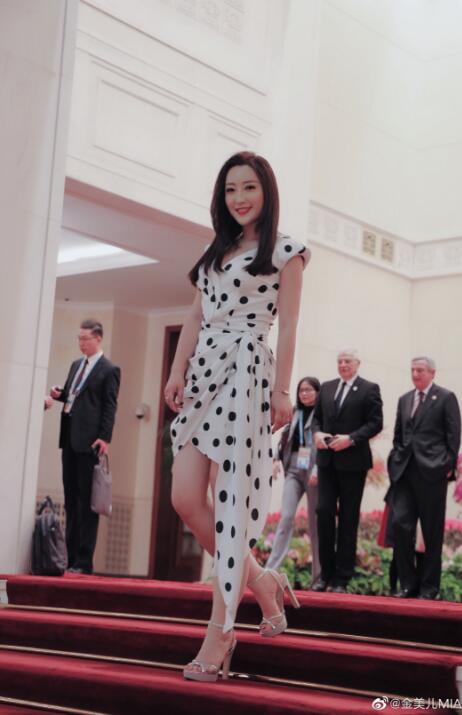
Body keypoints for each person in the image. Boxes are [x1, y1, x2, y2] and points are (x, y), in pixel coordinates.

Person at [164, 151, 309, 682]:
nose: (239, 198)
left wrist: (282, 391)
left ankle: (220, 633)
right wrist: (177, 371)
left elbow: (288, 327)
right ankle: (262, 581)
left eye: (248, 187)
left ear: (266, 192)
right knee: (185, 497)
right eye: (230, 190)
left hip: (247, 374)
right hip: (203, 374)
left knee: (229, 506)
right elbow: (195, 315)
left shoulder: (287, 252)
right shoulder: (217, 251)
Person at [50, 319, 121, 574]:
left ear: (98, 339)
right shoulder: (75, 365)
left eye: (85, 339)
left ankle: (83, 561)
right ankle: (69, 559)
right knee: (70, 499)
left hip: (90, 442)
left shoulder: (109, 369)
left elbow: (110, 405)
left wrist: (105, 437)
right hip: (69, 437)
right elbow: (74, 395)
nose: (81, 343)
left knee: (86, 502)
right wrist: (59, 394)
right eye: (79, 338)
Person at [387, 356, 461, 599]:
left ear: (432, 373)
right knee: (401, 526)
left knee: (431, 532)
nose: (415, 374)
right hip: (404, 472)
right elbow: (398, 436)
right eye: (412, 370)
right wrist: (395, 460)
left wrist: (446, 465)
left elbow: (454, 436)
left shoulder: (446, 397)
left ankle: (429, 588)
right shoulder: (405, 399)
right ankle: (408, 585)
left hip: (432, 473)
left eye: (420, 370)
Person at [312, 348, 383, 593]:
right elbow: (316, 418)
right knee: (323, 512)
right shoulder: (327, 387)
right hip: (327, 462)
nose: (343, 364)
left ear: (357, 363)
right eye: (340, 361)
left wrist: (351, 439)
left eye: (347, 361)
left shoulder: (369, 389)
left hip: (353, 464)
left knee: (348, 519)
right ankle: (325, 575)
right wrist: (317, 433)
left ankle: (342, 578)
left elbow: (375, 423)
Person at [266, 376, 321, 585]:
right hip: (294, 469)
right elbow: (282, 439)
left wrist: (317, 469)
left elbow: (322, 444)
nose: (304, 394)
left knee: (315, 525)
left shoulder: (322, 414)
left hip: (314, 471)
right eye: (301, 390)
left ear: (318, 392)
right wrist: (274, 460)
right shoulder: (295, 412)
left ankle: (318, 578)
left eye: (309, 390)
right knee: (286, 517)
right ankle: (270, 571)